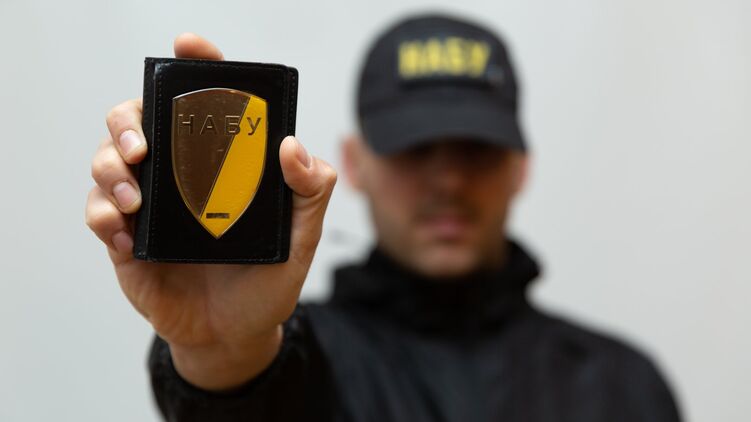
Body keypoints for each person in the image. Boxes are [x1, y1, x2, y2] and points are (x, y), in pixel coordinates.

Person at [85, 13, 682, 422]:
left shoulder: (624, 386)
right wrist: (222, 350)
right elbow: (255, 399)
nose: (448, 182)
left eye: (475, 151)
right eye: (414, 150)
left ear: (520, 168)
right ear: (355, 163)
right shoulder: (298, 357)